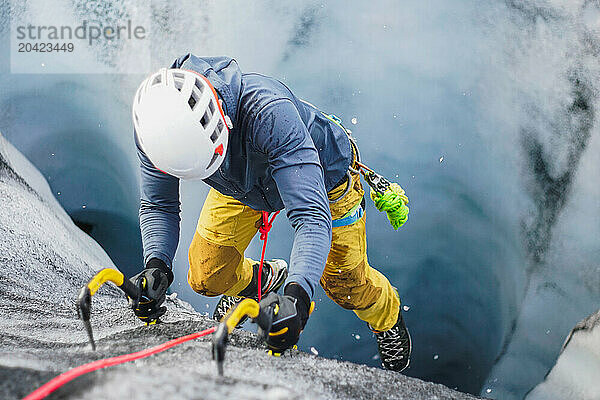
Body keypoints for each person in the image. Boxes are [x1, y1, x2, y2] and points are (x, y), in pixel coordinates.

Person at [130, 54, 411, 371]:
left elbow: (310, 216)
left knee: (346, 285)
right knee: (206, 274)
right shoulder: (156, 126)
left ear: (221, 123)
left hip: (324, 176)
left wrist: (298, 297)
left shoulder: (269, 112)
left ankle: (387, 315)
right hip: (241, 181)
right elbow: (158, 204)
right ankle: (260, 280)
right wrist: (157, 265)